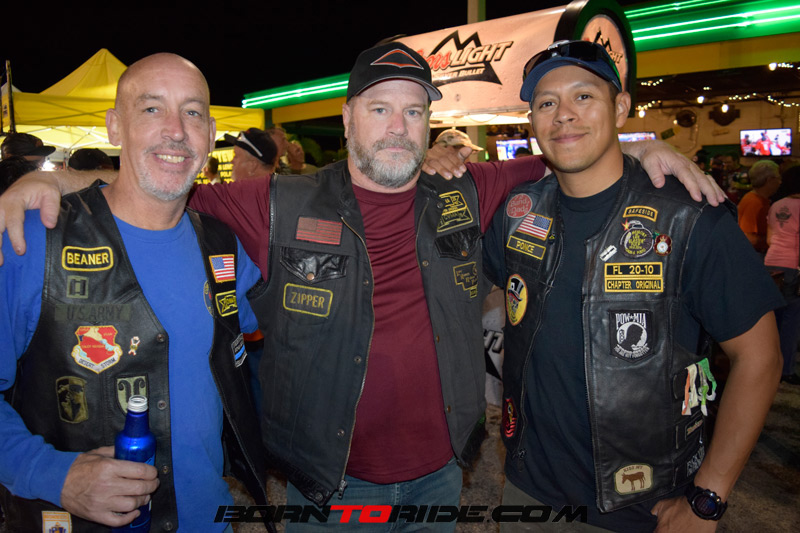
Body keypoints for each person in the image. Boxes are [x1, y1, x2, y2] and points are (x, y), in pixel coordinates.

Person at [0, 41, 723, 531]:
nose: (397, 127)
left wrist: (648, 149)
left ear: (430, 123)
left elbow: (573, 153)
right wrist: (48, 182)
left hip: (441, 479)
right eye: (379, 108)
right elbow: (156, 185)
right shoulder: (273, 203)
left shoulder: (467, 191)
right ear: (347, 119)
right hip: (329, 489)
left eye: (414, 110)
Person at [482, 40, 783, 532]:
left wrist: (708, 497)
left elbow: (761, 358)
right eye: (546, 103)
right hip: (528, 489)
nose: (563, 115)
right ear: (532, 120)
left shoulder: (690, 218)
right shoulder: (517, 214)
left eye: (583, 96)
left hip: (644, 506)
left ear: (620, 108)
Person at [0, 53, 270, 532]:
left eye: (192, 112)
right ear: (114, 127)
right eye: (151, 109)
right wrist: (54, 474)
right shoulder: (34, 241)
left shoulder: (222, 245)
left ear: (210, 134)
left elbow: (279, 337)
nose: (176, 130)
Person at [765, 169, 800, 385]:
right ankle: (785, 370)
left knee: (773, 320)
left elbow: (770, 239)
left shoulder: (776, 205)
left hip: (770, 264)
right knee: (791, 322)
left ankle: (769, 366)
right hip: (793, 267)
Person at [738, 160, 781, 253]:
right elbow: (749, 238)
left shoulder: (756, 199)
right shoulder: (754, 203)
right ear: (769, 180)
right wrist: (776, 238)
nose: (780, 182)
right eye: (778, 178)